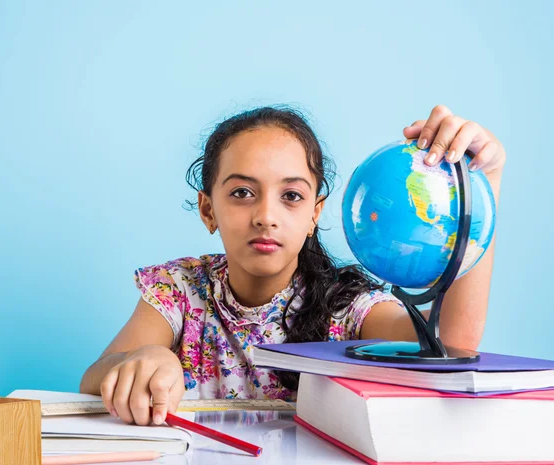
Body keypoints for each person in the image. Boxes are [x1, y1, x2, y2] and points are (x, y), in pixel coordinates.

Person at [80, 104, 506, 426]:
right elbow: (92, 378)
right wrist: (146, 355)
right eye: (243, 193)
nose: (266, 215)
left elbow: (450, 345)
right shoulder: (181, 289)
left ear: (314, 214)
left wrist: (484, 183)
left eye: (292, 196)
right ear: (208, 210)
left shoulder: (347, 306)